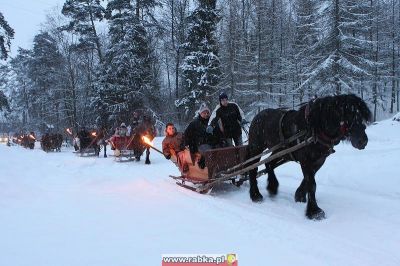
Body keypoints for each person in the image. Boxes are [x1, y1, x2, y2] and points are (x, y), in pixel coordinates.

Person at [184, 103, 213, 168]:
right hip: (200, 144)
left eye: (207, 113)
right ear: (200, 113)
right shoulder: (194, 123)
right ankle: (207, 167)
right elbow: (187, 134)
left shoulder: (211, 122)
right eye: (204, 113)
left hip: (211, 142)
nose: (206, 114)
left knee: (222, 149)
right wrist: (187, 144)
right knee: (208, 151)